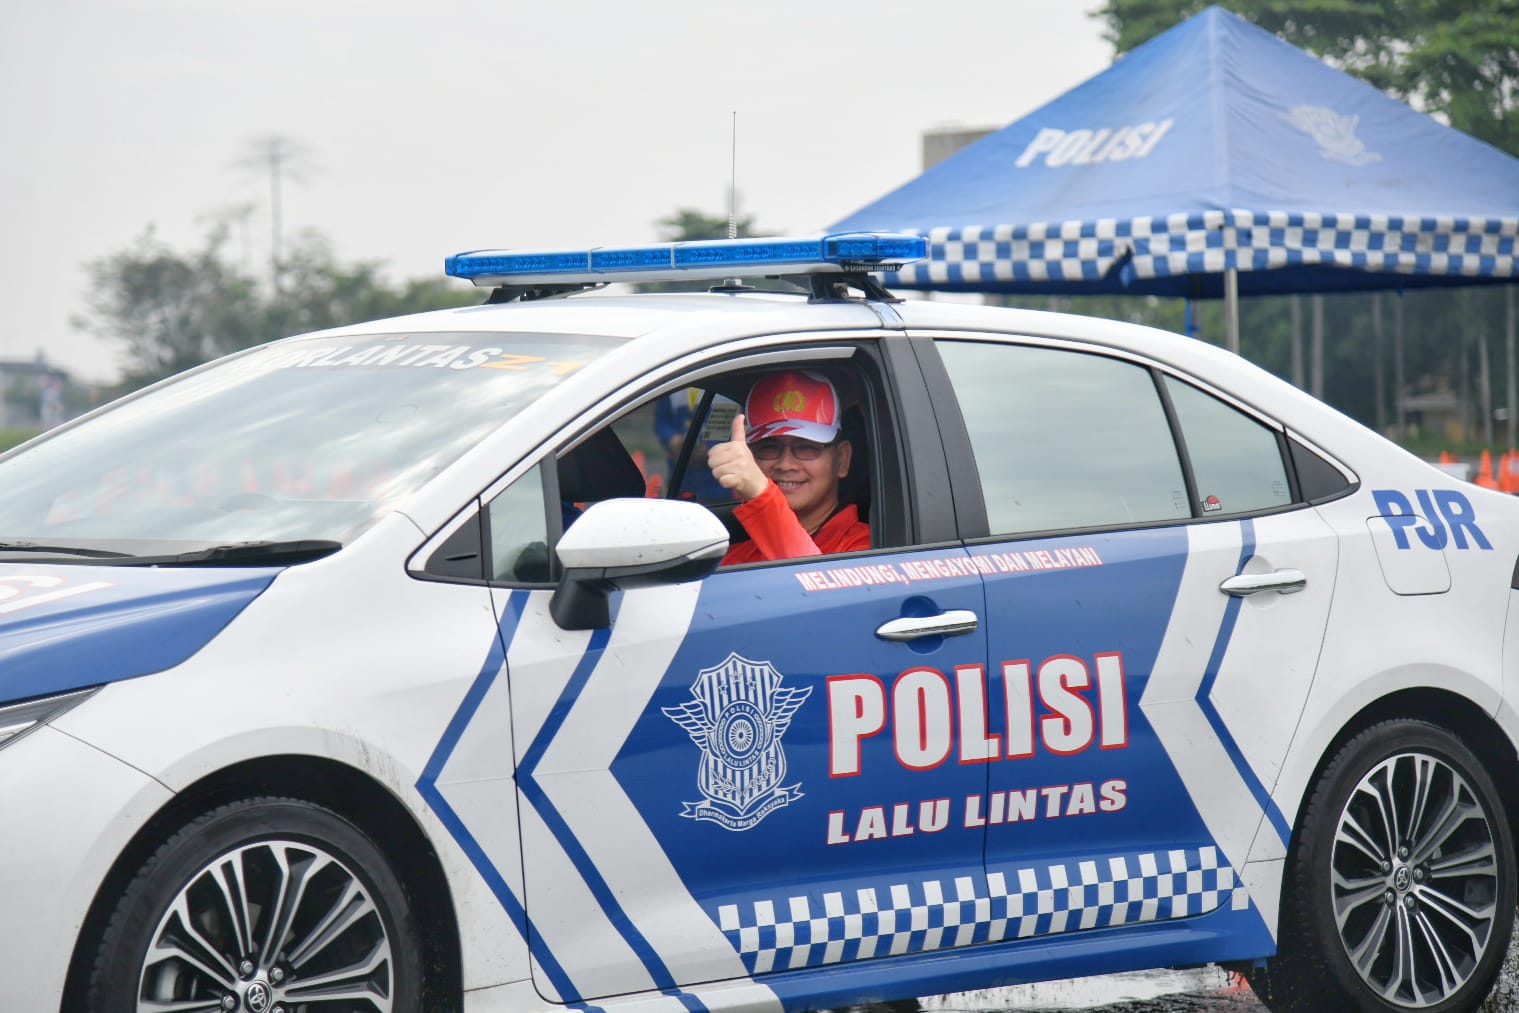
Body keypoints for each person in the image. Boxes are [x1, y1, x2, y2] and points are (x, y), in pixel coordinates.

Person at [707, 370, 870, 564]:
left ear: (842, 459)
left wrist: (761, 494)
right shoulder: (734, 557)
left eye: (807, 448)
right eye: (769, 447)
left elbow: (815, 583)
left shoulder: (866, 549)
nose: (786, 464)